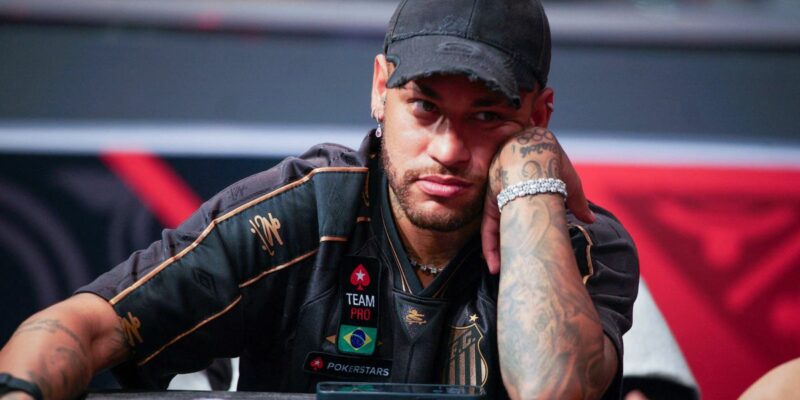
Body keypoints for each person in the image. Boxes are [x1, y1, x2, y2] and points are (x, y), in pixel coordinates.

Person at [0, 1, 639, 399]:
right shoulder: (304, 212)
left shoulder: (584, 244)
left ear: (538, 115)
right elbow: (84, 327)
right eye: (425, 107)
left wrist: (531, 175)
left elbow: (554, 392)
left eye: (488, 115)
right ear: (380, 89)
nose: (448, 149)